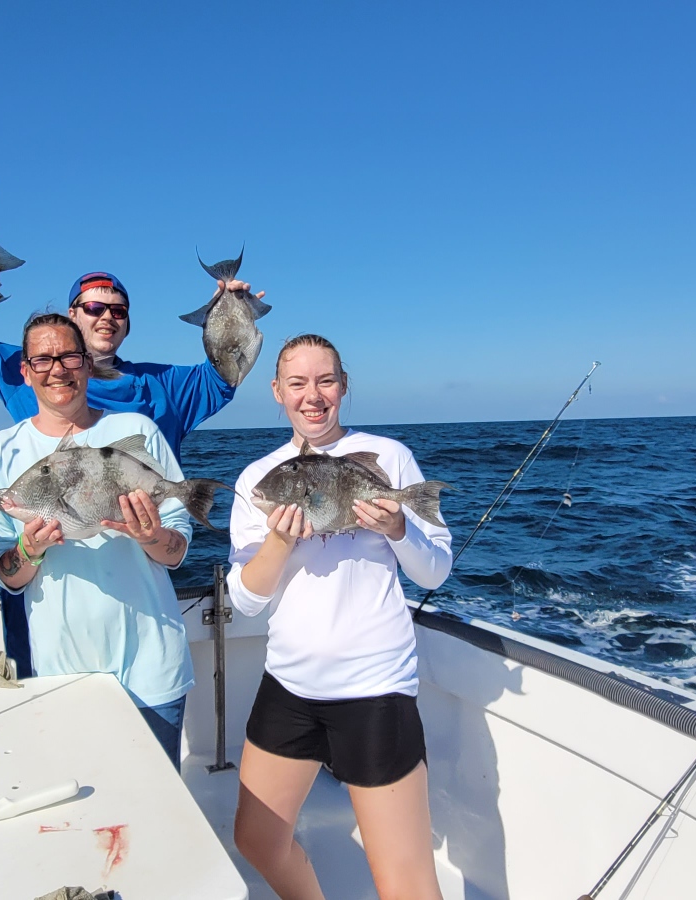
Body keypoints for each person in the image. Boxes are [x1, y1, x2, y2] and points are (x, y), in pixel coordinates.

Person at [0, 204, 263, 675]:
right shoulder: (28, 365)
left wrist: (232, 311)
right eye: (94, 308)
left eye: (118, 310)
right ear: (70, 316)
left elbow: (226, 372)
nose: (106, 317)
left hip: (140, 618)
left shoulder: (164, 387)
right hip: (49, 620)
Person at [225, 334, 452, 900]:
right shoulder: (258, 478)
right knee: (257, 840)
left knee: (404, 882)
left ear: (344, 386)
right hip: (289, 685)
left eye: (325, 381)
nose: (313, 395)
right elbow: (246, 600)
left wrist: (398, 527)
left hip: (374, 687)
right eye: (297, 383)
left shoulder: (387, 456)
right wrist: (279, 540)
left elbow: (434, 571)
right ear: (276, 391)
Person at [0, 313, 196, 764]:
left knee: (158, 801)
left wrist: (151, 536)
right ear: (26, 371)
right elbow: (4, 573)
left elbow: (176, 551)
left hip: (152, 667)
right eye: (43, 359)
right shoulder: (0, 451)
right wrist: (29, 550)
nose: (57, 369)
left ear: (88, 365)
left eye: (69, 357)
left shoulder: (137, 430)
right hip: (63, 673)